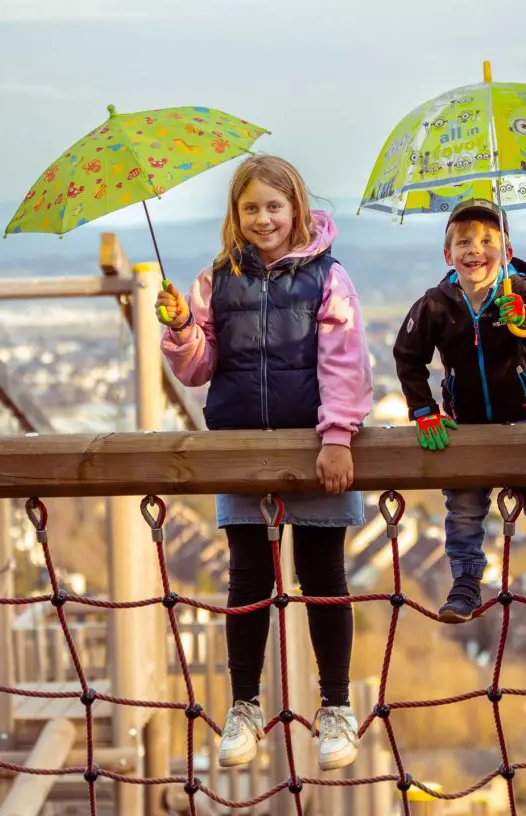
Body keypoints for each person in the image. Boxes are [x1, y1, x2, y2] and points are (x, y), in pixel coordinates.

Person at [156, 154, 373, 772]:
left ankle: (336, 708)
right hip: (241, 449)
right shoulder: (212, 281)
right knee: (248, 579)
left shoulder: (330, 279)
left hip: (314, 446)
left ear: (296, 209)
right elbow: (200, 367)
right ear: (236, 214)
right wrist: (179, 331)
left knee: (322, 574)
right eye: (250, 207)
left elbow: (344, 363)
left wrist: (337, 437)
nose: (263, 218)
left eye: (274, 206)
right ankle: (244, 707)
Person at [392, 197, 526, 623]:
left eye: (487, 240)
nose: (475, 250)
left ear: (507, 250)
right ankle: (465, 585)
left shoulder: (518, 292)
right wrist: (424, 410)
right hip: (465, 424)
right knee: (464, 507)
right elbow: (407, 356)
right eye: (463, 242)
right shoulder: (435, 304)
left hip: (524, 416)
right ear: (448, 255)